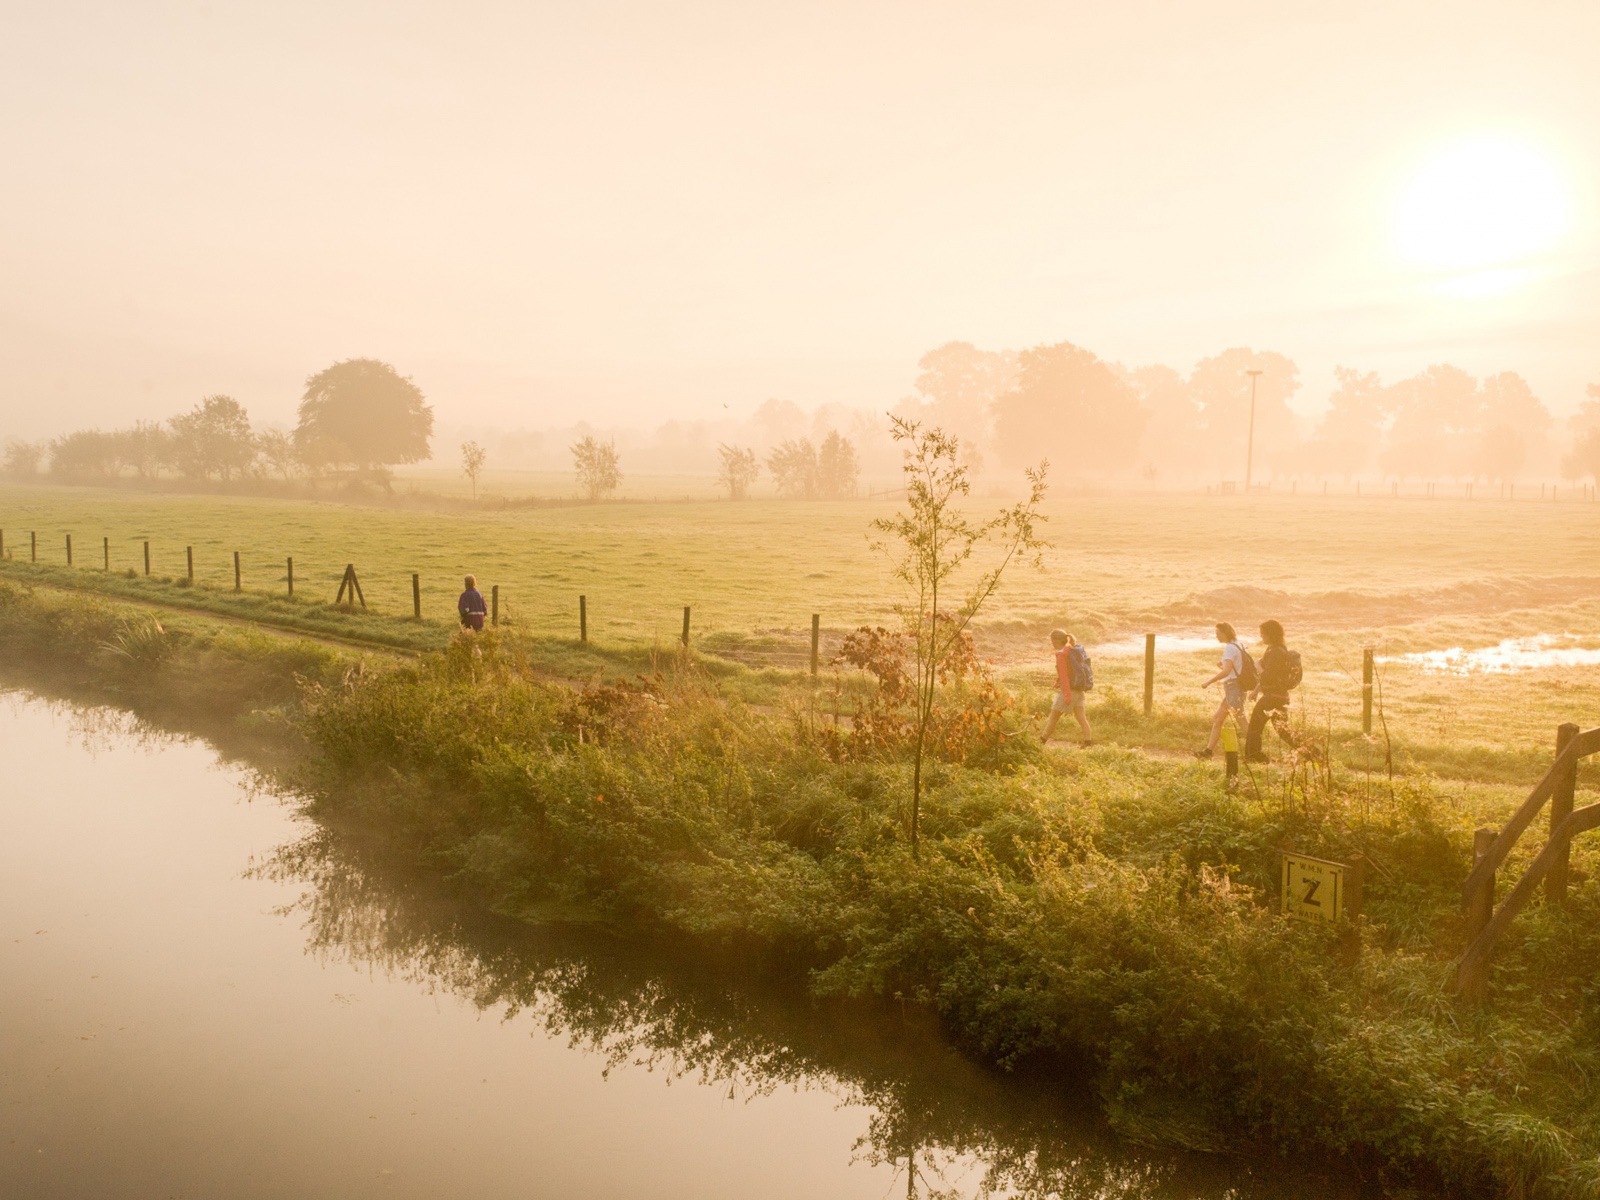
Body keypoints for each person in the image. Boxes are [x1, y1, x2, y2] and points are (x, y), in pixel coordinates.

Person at [1195, 622, 1245, 759]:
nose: (1216, 636)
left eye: (1218, 634)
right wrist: (1223, 666)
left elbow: (1227, 671)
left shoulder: (1230, 647)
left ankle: (1254, 750)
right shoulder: (1238, 644)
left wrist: (1208, 682)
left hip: (1233, 687)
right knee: (1218, 719)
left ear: (1225, 633)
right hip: (1235, 687)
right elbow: (1235, 668)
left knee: (1241, 719)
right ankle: (1208, 752)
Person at [1245, 619, 1293, 763]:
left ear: (1270, 634)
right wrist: (1255, 691)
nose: (1261, 637)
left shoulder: (1275, 652)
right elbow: (1270, 677)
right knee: (1284, 731)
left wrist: (1258, 666)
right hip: (1280, 696)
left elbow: (1268, 676)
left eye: (1263, 634)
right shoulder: (1277, 649)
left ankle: (1254, 756)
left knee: (1254, 727)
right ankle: (1311, 752)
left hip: (1271, 697)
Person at [1041, 629, 1092, 745]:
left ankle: (1041, 741)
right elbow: (1069, 672)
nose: (1051, 644)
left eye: (1052, 641)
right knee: (1081, 718)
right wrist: (1057, 681)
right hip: (1079, 689)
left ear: (1056, 640)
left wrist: (1066, 695)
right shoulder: (1071, 649)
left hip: (1069, 690)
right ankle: (1088, 743)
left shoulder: (1061, 655)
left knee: (1053, 717)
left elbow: (1064, 676)